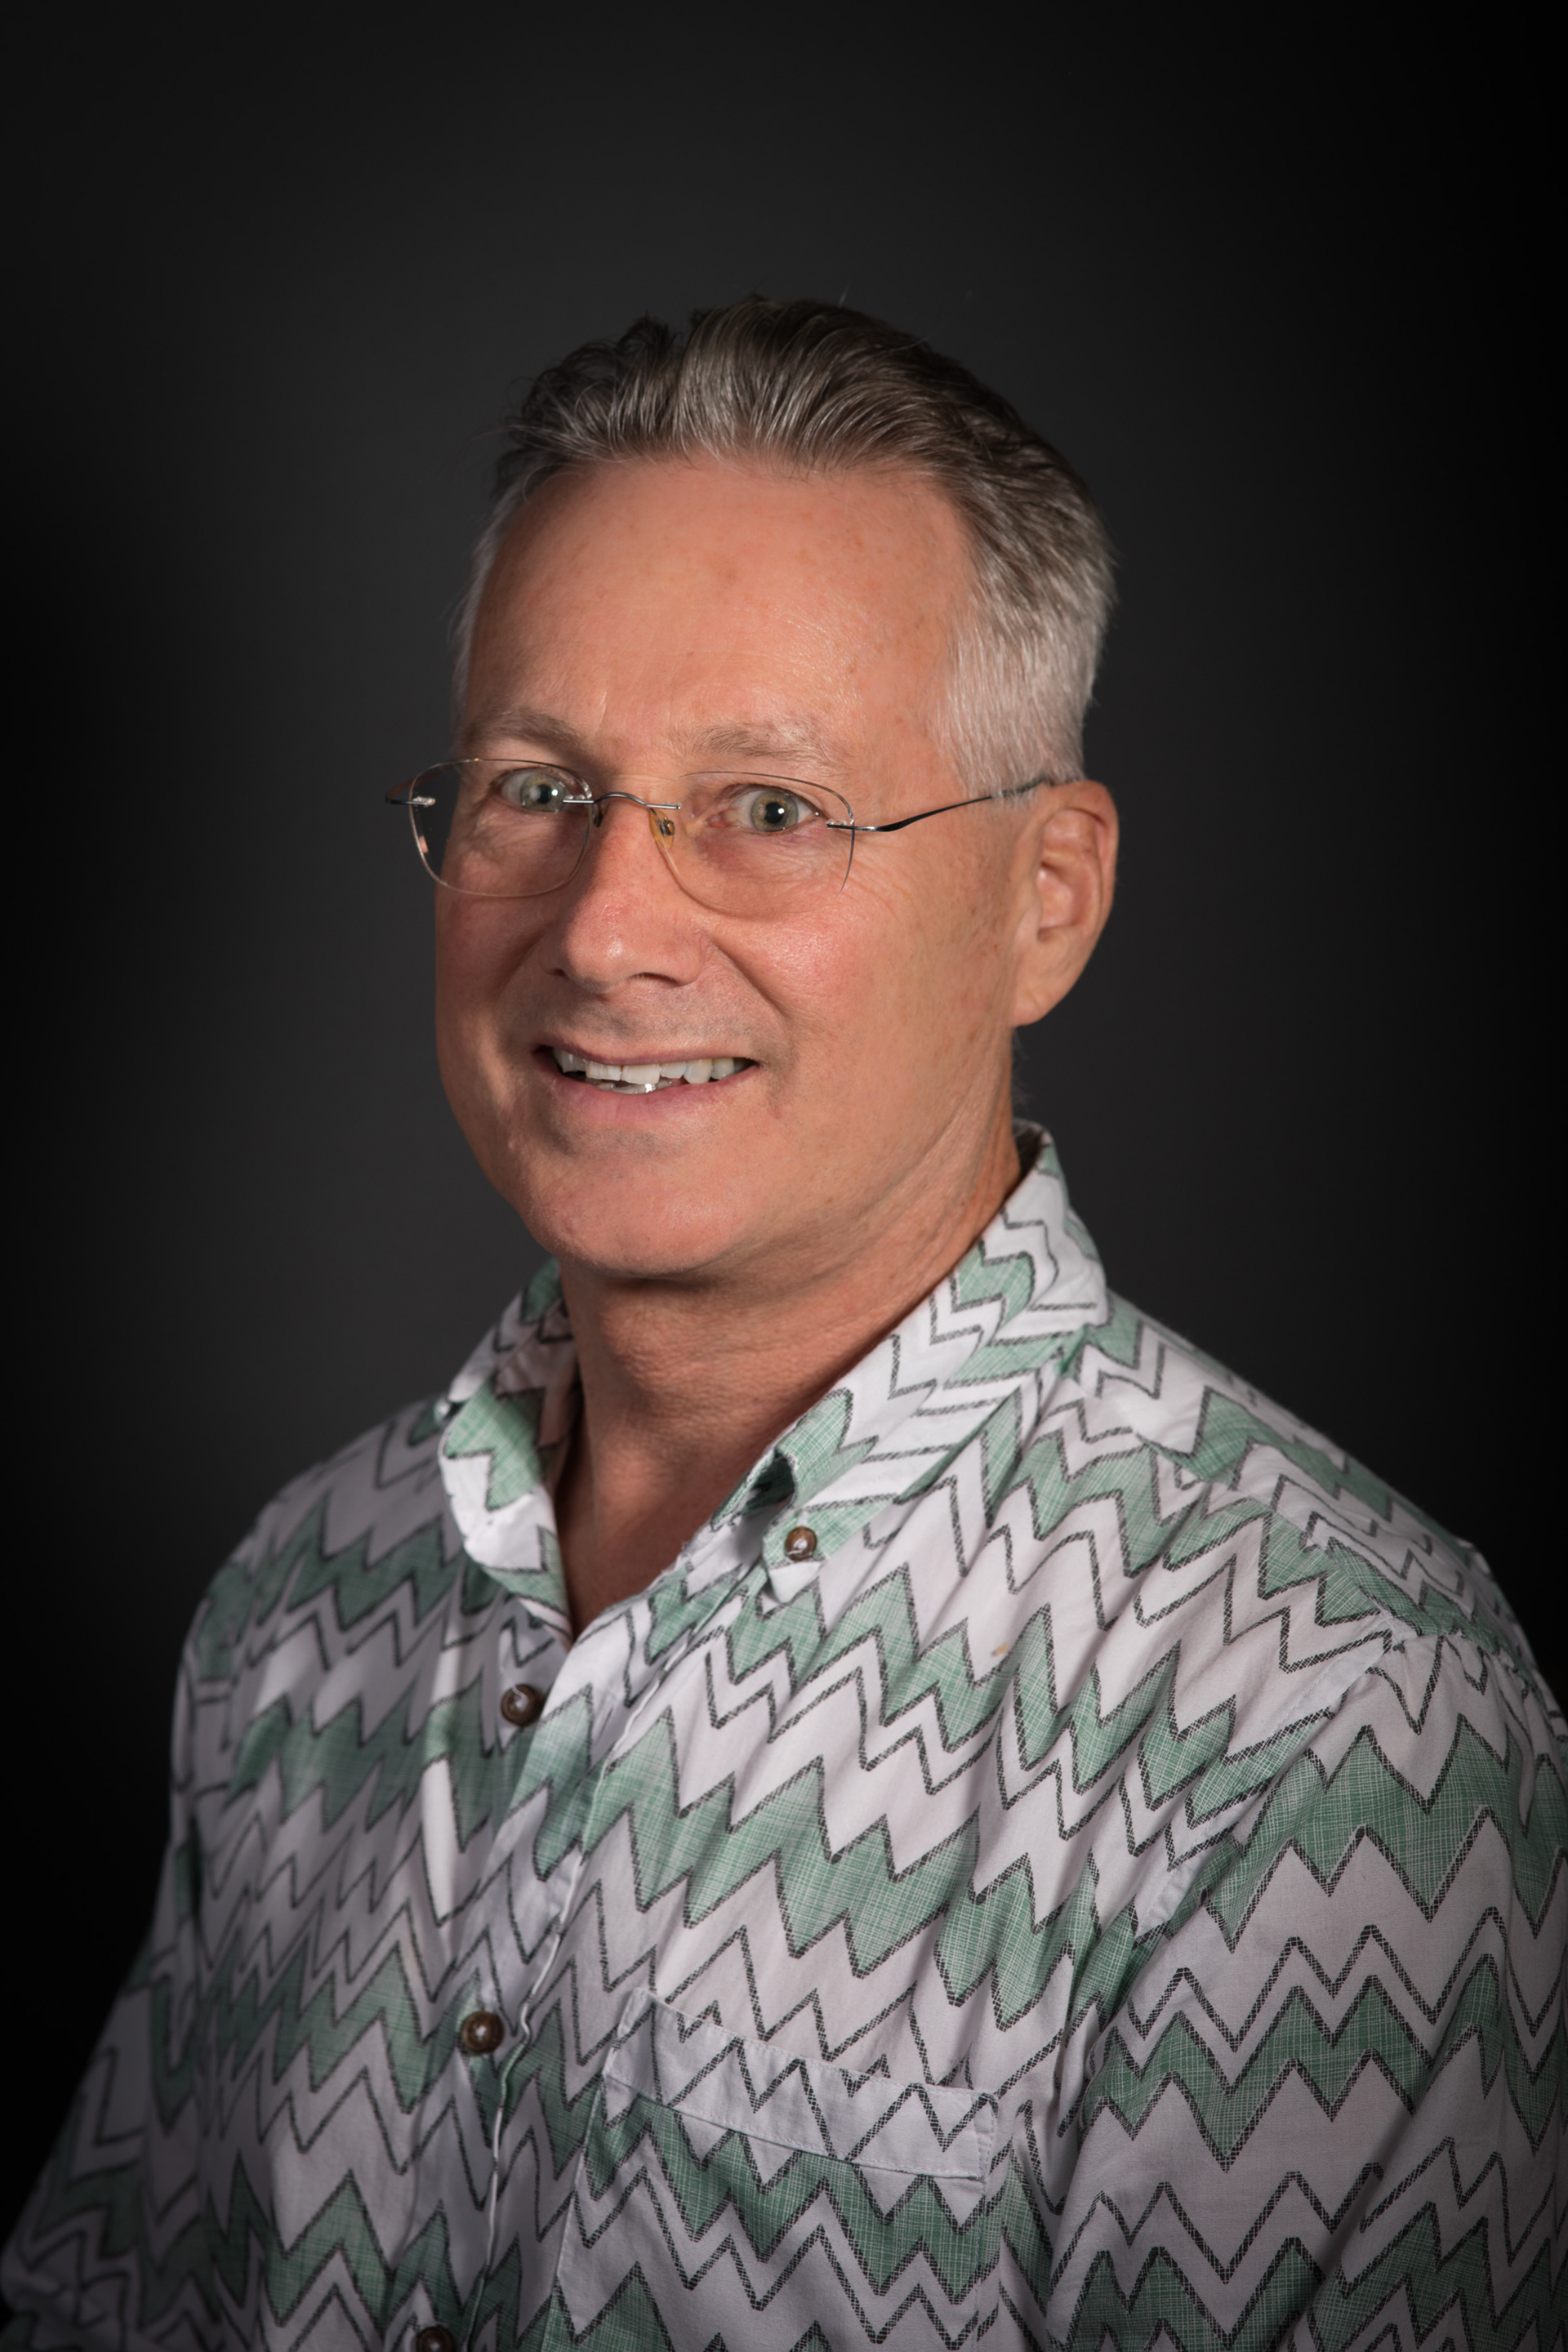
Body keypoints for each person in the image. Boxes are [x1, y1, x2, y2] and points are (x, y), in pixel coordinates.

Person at [4, 300, 1561, 2352]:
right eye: (537, 787)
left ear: (1048, 896)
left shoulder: (1323, 1728)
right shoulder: (305, 1597)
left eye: (768, 809)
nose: (604, 928)